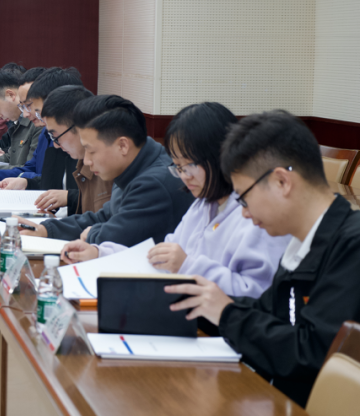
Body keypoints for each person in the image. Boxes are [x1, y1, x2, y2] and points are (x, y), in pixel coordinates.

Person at [165, 110, 360, 407]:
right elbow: (269, 311)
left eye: (244, 198)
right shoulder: (302, 240)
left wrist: (227, 313)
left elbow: (310, 354)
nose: (243, 213)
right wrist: (211, 304)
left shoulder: (351, 245)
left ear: (282, 181)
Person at [61, 103, 288, 300]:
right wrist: (100, 253)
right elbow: (159, 259)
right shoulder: (202, 205)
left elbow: (257, 293)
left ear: (220, 155)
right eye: (178, 167)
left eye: (189, 165)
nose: (184, 176)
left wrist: (187, 265)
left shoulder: (255, 214)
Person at [19, 95, 193, 246]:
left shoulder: (154, 183)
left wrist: (92, 233)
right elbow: (102, 217)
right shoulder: (131, 166)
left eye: (91, 151)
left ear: (122, 146)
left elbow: (114, 236)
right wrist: (44, 229)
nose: (86, 161)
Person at [0, 69, 85, 215]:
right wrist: (27, 182)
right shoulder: (48, 134)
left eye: (31, 106)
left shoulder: (79, 142)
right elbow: (51, 182)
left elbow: (99, 203)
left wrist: (69, 197)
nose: (26, 113)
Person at [0, 67, 81, 185]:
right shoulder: (45, 132)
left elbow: (55, 182)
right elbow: (31, 169)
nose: (25, 114)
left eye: (29, 105)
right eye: (23, 106)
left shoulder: (74, 135)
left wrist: (26, 181)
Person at [38, 85, 112, 215]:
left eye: (55, 136)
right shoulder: (83, 161)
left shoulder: (109, 166)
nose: (56, 145)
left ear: (79, 127)